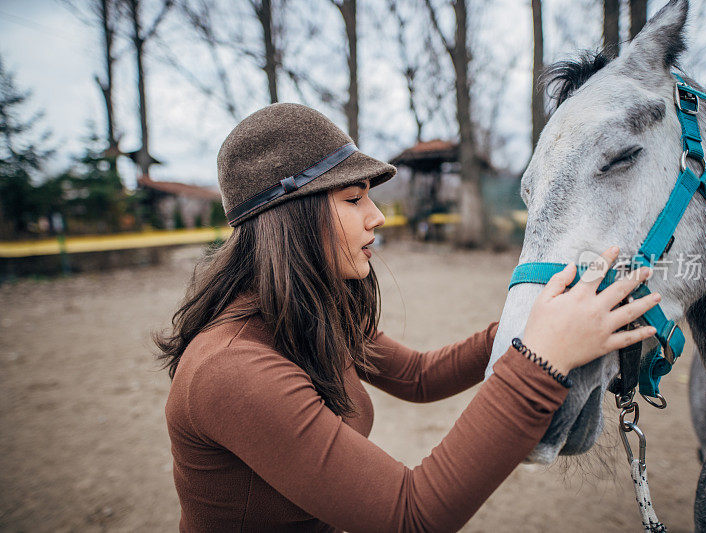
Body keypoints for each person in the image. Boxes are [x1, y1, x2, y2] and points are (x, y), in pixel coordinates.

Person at [158, 103, 659, 532]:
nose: (377, 215)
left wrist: (529, 325)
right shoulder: (230, 371)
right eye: (354, 199)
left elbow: (420, 377)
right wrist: (539, 359)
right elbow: (409, 516)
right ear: (290, 219)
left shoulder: (306, 318)